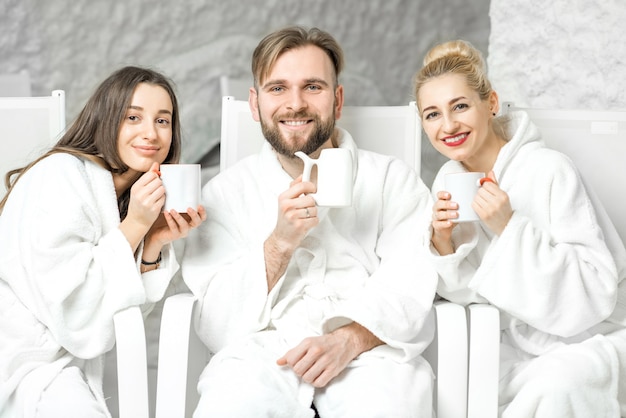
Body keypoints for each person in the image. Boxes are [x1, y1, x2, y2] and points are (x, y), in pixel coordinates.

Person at [182, 26, 437, 417]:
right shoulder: (224, 194)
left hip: (370, 355)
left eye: (313, 87)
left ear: (337, 100)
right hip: (260, 357)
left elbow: (412, 283)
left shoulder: (391, 180)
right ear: (255, 103)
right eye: (278, 88)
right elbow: (215, 324)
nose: (295, 104)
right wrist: (278, 246)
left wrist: (350, 339)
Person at [415, 39, 626, 417]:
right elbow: (468, 294)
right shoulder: (447, 184)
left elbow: (595, 293)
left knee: (558, 387)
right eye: (432, 114)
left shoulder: (549, 169)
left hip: (589, 336)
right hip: (510, 344)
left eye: (460, 106)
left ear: (491, 103)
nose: (448, 126)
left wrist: (509, 228)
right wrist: (444, 245)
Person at [0, 66, 207, 418]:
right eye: (133, 117)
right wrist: (137, 224)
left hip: (69, 363)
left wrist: (153, 241)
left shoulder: (122, 199)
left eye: (163, 121)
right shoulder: (60, 175)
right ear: (107, 119)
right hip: (19, 359)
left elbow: (117, 314)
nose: (151, 134)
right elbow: (72, 309)